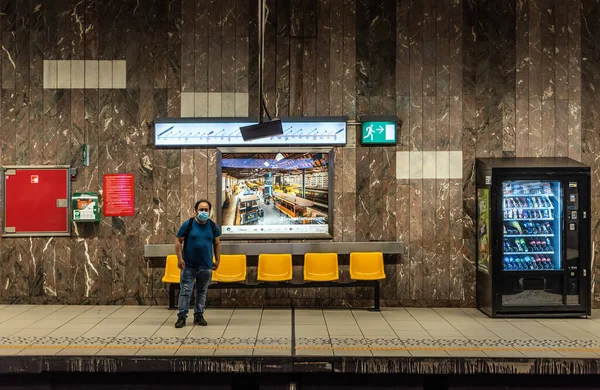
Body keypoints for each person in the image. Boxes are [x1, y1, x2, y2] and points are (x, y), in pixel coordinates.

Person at [174, 200, 221, 328]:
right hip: (189, 266)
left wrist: (218, 260)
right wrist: (179, 258)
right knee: (185, 291)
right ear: (195, 210)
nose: (204, 212)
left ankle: (198, 316)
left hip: (206, 266)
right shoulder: (188, 224)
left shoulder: (212, 226)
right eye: (201, 209)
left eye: (206, 210)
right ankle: (182, 317)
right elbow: (178, 240)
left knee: (202, 292)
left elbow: (217, 243)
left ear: (209, 211)